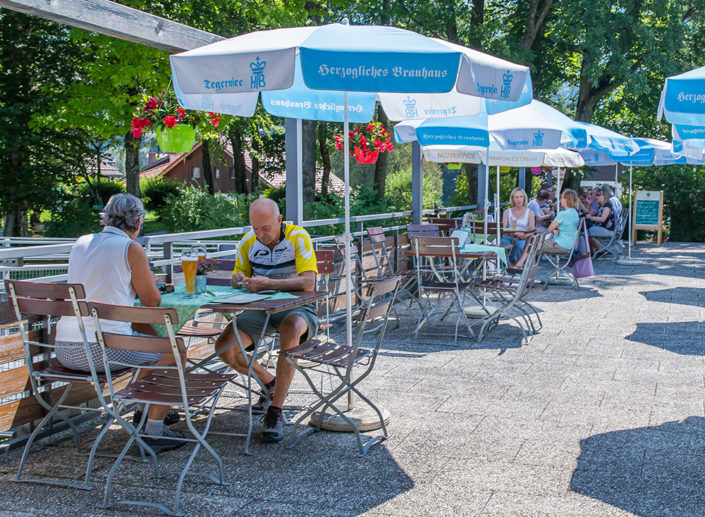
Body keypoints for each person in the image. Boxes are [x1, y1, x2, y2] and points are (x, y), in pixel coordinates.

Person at [54, 193, 186, 452]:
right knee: (175, 350)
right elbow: (151, 299)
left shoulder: (81, 242)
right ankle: (153, 431)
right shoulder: (130, 247)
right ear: (137, 222)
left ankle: (143, 407)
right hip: (103, 352)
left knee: (143, 330)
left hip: (65, 350)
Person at [213, 197, 318, 443]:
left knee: (291, 328)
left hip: (299, 309)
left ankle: (275, 411)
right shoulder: (247, 243)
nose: (260, 234)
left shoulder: (298, 237)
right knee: (224, 348)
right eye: (255, 229)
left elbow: (308, 283)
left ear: (279, 220)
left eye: (265, 228)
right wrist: (237, 279)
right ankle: (268, 381)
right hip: (260, 310)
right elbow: (238, 278)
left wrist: (270, 283)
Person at [512, 189, 580, 270]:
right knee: (532, 249)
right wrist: (555, 229)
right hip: (569, 245)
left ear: (566, 200)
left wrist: (555, 229)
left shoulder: (563, 214)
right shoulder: (575, 213)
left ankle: (520, 267)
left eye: (561, 197)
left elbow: (549, 229)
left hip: (559, 244)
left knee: (531, 244)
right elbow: (563, 228)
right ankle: (525, 273)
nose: (560, 200)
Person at [501, 188, 535, 264]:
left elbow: (532, 231)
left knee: (520, 246)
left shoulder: (530, 212)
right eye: (516, 197)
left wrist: (522, 236)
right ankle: (505, 266)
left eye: (521, 197)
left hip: (524, 238)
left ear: (524, 198)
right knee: (503, 244)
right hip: (509, 237)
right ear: (512, 199)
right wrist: (516, 234)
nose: (519, 199)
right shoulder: (507, 212)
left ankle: (516, 267)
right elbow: (503, 229)